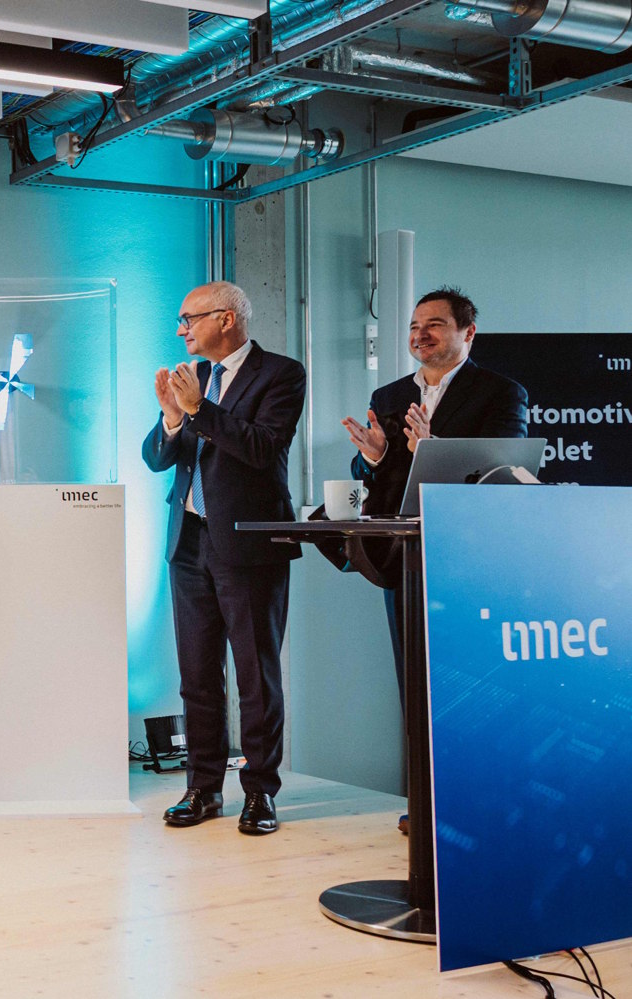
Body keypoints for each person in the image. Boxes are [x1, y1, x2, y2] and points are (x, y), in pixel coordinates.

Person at [341, 286, 527, 835]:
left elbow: (505, 469)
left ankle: (474, 799)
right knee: (414, 683)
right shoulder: (391, 392)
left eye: (435, 325)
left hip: (470, 560)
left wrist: (436, 446)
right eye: (415, 325)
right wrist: (372, 458)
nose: (420, 335)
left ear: (468, 333)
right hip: (405, 555)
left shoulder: (500, 392)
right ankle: (424, 806)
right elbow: (380, 476)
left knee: (469, 685)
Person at [142, 281, 305, 836]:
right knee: (197, 675)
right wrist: (171, 418)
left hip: (248, 543)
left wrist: (198, 410)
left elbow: (260, 448)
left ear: (227, 319)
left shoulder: (281, 374)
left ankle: (260, 793)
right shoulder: (196, 381)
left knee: (256, 674)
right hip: (188, 542)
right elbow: (157, 458)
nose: (181, 329)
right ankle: (202, 788)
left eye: (189, 319)